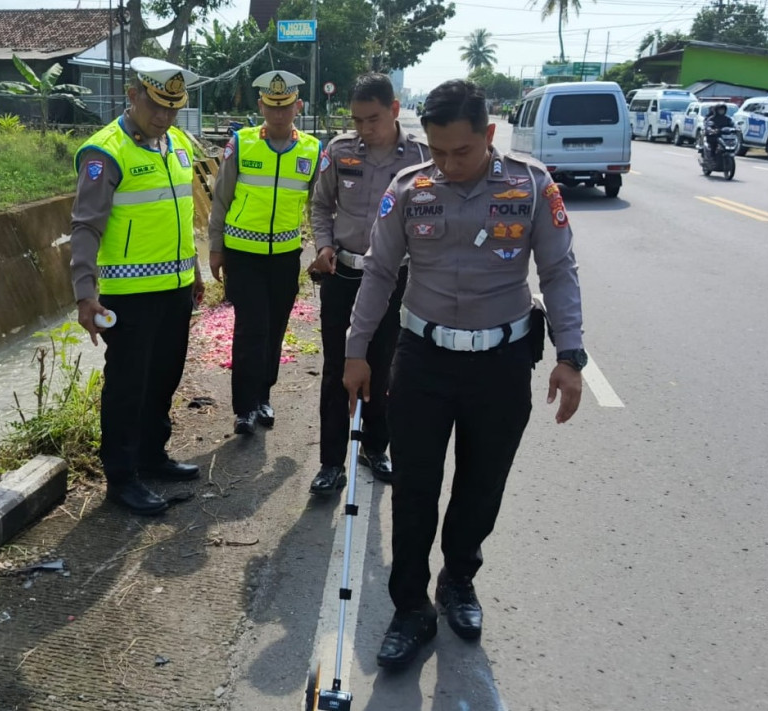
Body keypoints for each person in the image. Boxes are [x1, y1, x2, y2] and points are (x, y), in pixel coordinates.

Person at [343, 80, 587, 669]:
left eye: (462, 152)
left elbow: (558, 271)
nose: (448, 165)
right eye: (438, 152)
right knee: (415, 491)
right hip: (423, 362)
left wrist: (570, 355)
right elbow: (378, 272)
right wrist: (355, 350)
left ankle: (458, 578)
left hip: (500, 367)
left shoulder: (531, 186)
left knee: (481, 486)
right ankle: (410, 608)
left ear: (489, 135)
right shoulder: (410, 188)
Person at [69, 57, 205, 516]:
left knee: (164, 377)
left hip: (176, 288)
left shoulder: (176, 144)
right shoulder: (104, 152)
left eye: (173, 109)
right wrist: (85, 293)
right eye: (156, 106)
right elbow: (85, 227)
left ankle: (152, 455)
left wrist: (197, 272)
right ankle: (122, 478)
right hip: (129, 296)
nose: (164, 117)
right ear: (133, 96)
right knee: (128, 386)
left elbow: (182, 216)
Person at [307, 73, 429, 494]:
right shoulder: (340, 152)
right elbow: (321, 204)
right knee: (337, 369)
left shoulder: (421, 159)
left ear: (395, 110)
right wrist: (323, 244)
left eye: (372, 119)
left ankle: (376, 447)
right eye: (357, 120)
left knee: (383, 366)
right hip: (344, 273)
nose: (363, 128)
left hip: (397, 279)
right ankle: (330, 463)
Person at [208, 70, 322, 436]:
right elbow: (221, 199)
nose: (278, 114)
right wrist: (215, 248)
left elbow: (317, 206)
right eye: (271, 107)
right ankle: (243, 408)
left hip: (286, 257)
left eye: (285, 107)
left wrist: (322, 248)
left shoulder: (312, 149)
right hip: (243, 255)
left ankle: (263, 396)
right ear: (261, 106)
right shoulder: (240, 143)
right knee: (250, 328)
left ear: (297, 107)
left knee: (274, 330)